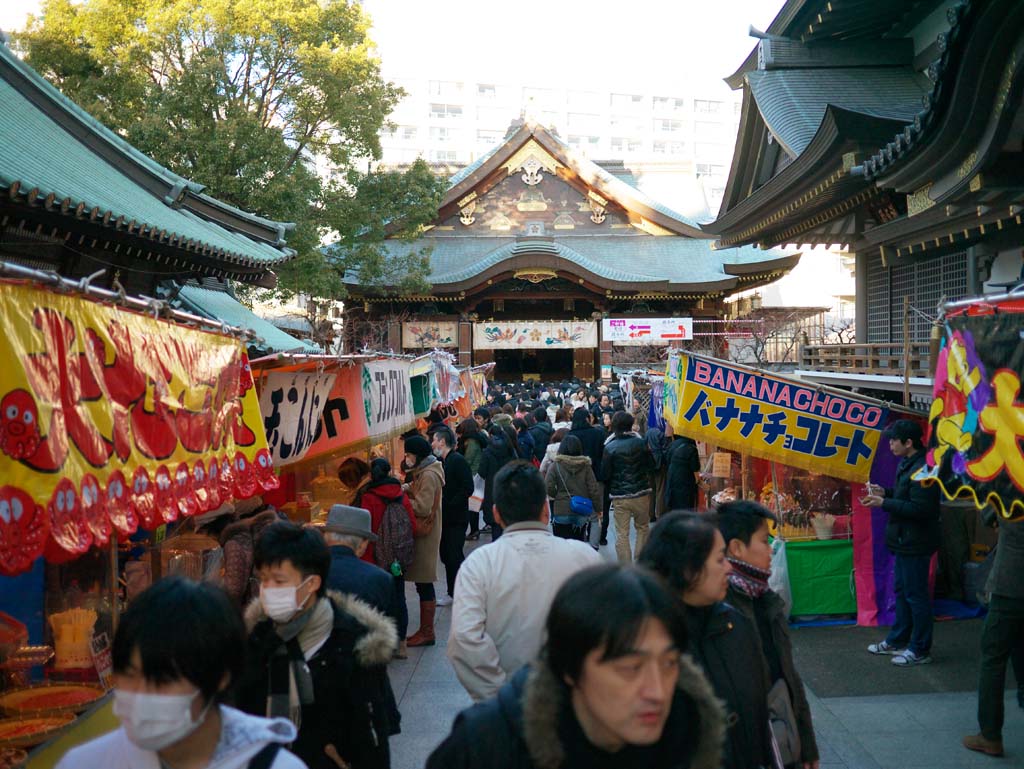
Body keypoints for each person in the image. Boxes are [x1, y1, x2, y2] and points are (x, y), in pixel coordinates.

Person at [429, 564, 725, 769]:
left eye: (669, 663)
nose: (658, 692)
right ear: (570, 669)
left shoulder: (691, 734)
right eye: (630, 668)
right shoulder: (484, 748)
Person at [55, 577, 305, 769]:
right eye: (130, 675)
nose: (140, 695)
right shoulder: (85, 763)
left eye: (162, 680)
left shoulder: (274, 765)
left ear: (220, 677)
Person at [236, 521, 398, 769]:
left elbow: (373, 740)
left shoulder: (356, 645)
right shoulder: (258, 641)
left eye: (279, 581)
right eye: (263, 580)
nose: (268, 590)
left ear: (312, 583)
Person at [448, 461, 601, 702]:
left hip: (507, 709)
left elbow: (464, 639)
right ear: (545, 509)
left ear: (496, 513)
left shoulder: (479, 564)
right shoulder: (586, 558)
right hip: (576, 704)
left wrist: (500, 698)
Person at [639, 512, 772, 769]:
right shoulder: (644, 643)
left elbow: (758, 717)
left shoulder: (738, 626)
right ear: (688, 569)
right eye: (720, 559)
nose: (729, 567)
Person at [717, 501, 820, 769]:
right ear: (737, 548)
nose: (771, 549)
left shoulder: (766, 599)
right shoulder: (720, 607)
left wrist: (805, 744)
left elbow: (788, 676)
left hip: (780, 740)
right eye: (764, 541)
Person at [862, 419, 941, 666]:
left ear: (909, 442)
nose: (891, 444)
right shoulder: (906, 463)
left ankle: (919, 650)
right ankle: (898, 640)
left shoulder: (926, 468)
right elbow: (906, 495)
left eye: (895, 440)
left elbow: (922, 508)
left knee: (916, 596)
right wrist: (885, 492)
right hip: (903, 540)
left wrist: (883, 503)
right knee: (902, 592)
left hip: (917, 542)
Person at [963, 511, 1024, 757]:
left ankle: (989, 735)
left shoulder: (1011, 482)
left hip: (1011, 583)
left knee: (993, 657)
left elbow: (990, 515)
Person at [355, 457, 416, 659]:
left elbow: (365, 527)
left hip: (374, 557)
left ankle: (382, 644)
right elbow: (412, 526)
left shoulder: (368, 497)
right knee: (399, 598)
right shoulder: (400, 494)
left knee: (378, 601)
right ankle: (402, 645)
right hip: (396, 558)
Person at [323, 504, 399, 631]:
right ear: (363, 543)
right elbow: (390, 631)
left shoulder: (304, 571)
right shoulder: (380, 579)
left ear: (326, 536)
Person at [402, 434, 445, 647]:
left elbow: (423, 507)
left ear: (417, 455)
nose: (406, 458)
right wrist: (406, 488)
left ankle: (427, 632)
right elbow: (415, 487)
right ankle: (424, 630)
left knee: (424, 582)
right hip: (428, 532)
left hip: (426, 534)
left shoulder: (429, 475)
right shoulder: (426, 471)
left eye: (408, 454)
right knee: (422, 582)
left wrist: (403, 500)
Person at [602, 411, 654, 562]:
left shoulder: (609, 447)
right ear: (631, 425)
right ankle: (640, 561)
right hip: (641, 493)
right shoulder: (641, 443)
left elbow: (605, 474)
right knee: (643, 528)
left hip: (620, 496)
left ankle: (626, 567)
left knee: (622, 534)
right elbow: (651, 465)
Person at [432, 426, 473, 607]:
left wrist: (449, 503)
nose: (432, 443)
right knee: (448, 556)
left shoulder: (457, 460)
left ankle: (461, 590)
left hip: (456, 518)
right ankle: (454, 591)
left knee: (453, 555)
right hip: (447, 518)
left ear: (442, 441)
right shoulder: (444, 461)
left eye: (434, 439)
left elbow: (467, 487)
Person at [545, 435, 602, 543]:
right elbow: (593, 489)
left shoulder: (555, 465)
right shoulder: (586, 466)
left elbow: (548, 486)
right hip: (581, 510)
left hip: (561, 510)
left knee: (562, 546)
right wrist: (598, 509)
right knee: (579, 544)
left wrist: (557, 495)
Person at [478, 423, 519, 541]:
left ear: (490, 435)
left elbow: (482, 472)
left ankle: (498, 551)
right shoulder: (510, 450)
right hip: (509, 489)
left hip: (492, 490)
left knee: (496, 524)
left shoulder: (487, 452)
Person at [666, 433, 702, 511]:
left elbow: (667, 461)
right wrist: (699, 481)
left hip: (672, 478)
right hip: (685, 482)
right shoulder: (692, 448)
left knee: (675, 505)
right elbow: (695, 471)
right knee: (686, 507)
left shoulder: (672, 444)